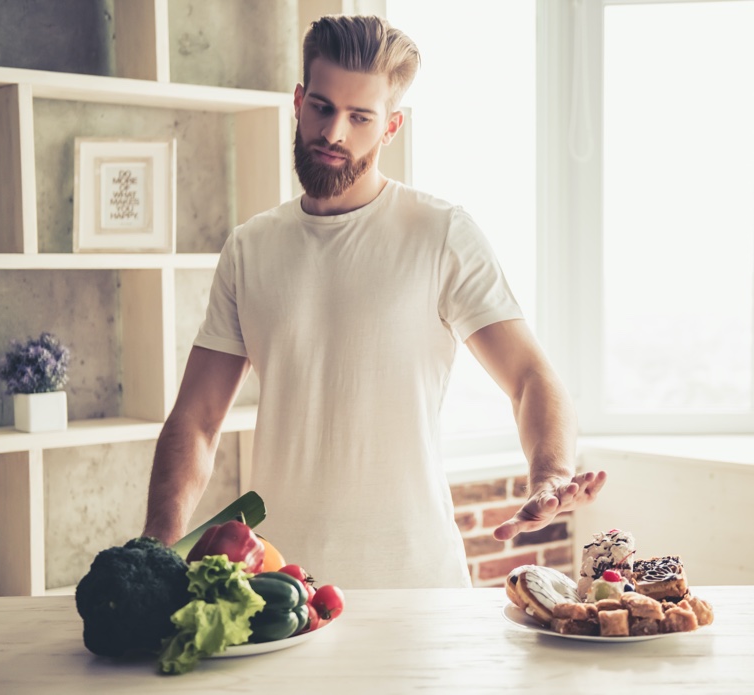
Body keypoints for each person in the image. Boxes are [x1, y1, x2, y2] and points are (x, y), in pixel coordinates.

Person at [143, 14, 606, 589]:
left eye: (360, 117)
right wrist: (156, 547)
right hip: (282, 587)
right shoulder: (250, 247)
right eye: (321, 106)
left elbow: (531, 377)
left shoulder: (440, 234)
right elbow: (197, 419)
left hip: (418, 584)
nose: (334, 132)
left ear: (391, 128)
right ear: (297, 101)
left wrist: (551, 474)